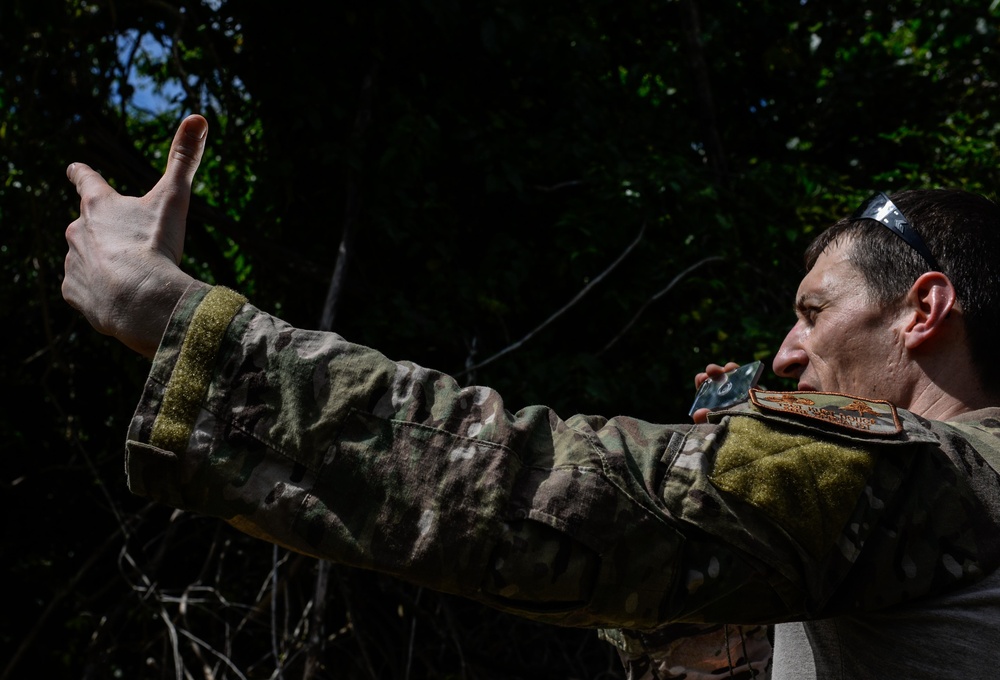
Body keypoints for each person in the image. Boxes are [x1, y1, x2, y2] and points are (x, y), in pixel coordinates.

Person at [62, 114, 1000, 679]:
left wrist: (177, 319)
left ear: (922, 309)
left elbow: (537, 488)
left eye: (813, 310)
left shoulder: (935, 473)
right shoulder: (931, 518)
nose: (787, 353)